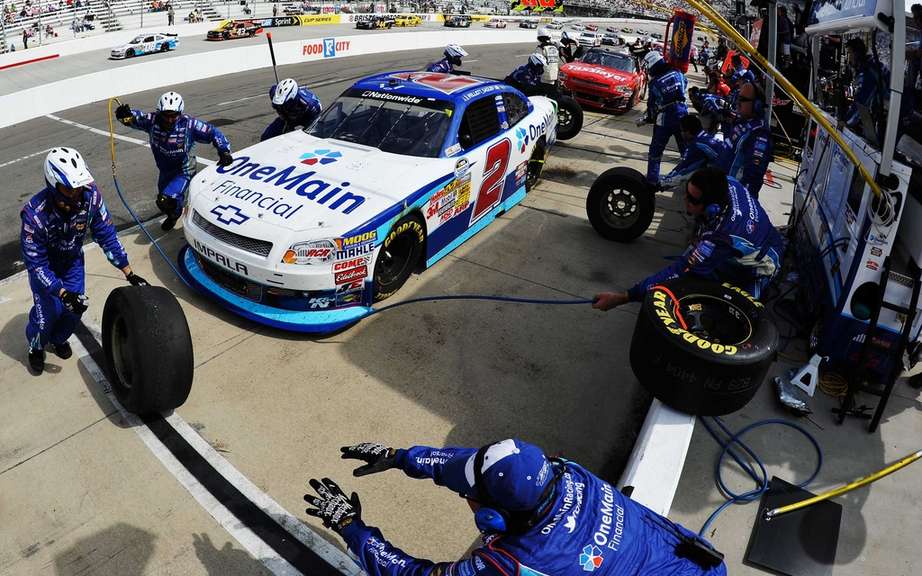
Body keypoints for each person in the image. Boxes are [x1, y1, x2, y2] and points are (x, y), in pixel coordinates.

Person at [305, 439, 727, 575]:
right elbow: (470, 466)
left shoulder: (513, 561)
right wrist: (400, 456)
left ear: (493, 516)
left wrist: (350, 526)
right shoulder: (566, 473)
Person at [22, 148, 148, 374]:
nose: (76, 194)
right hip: (46, 269)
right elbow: (36, 264)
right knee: (47, 317)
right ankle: (36, 347)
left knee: (74, 310)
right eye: (69, 189)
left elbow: (107, 234)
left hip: (72, 264)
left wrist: (129, 272)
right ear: (53, 185)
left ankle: (59, 339)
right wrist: (61, 292)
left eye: (78, 187)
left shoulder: (92, 197)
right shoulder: (34, 215)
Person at [593, 168, 783, 310]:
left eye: (692, 200)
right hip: (751, 239)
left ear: (712, 208)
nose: (685, 200)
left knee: (744, 312)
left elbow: (679, 271)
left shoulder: (721, 236)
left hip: (763, 264)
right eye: (686, 192)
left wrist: (624, 297)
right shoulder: (728, 182)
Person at [115, 91, 233, 231]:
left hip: (183, 171)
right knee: (162, 202)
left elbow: (213, 132)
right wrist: (123, 115)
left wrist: (224, 151)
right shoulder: (151, 121)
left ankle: (176, 214)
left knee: (167, 200)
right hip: (165, 171)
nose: (170, 119)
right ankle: (174, 212)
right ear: (159, 112)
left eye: (174, 115)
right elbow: (132, 118)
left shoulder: (190, 124)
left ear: (180, 113)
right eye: (166, 115)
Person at [640, 50, 688, 185]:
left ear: (652, 64)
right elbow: (685, 84)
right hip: (683, 114)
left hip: (665, 118)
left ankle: (652, 181)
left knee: (655, 151)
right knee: (686, 150)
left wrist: (648, 117)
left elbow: (651, 106)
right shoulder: (678, 73)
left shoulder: (654, 83)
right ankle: (689, 178)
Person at [726, 82, 772, 197]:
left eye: (742, 99)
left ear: (757, 104)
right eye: (738, 98)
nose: (738, 102)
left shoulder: (760, 134)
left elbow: (752, 176)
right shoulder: (742, 122)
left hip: (734, 196)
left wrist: (736, 199)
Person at [659, 114, 728, 188]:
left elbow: (684, 168)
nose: (680, 133)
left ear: (688, 132)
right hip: (727, 168)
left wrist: (662, 183)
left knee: (692, 173)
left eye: (681, 131)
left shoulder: (697, 145)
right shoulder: (704, 136)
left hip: (725, 177)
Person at [843, 37, 884, 144]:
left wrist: (846, 121)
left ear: (857, 53)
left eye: (850, 53)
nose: (849, 58)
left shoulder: (870, 69)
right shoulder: (866, 66)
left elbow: (862, 100)